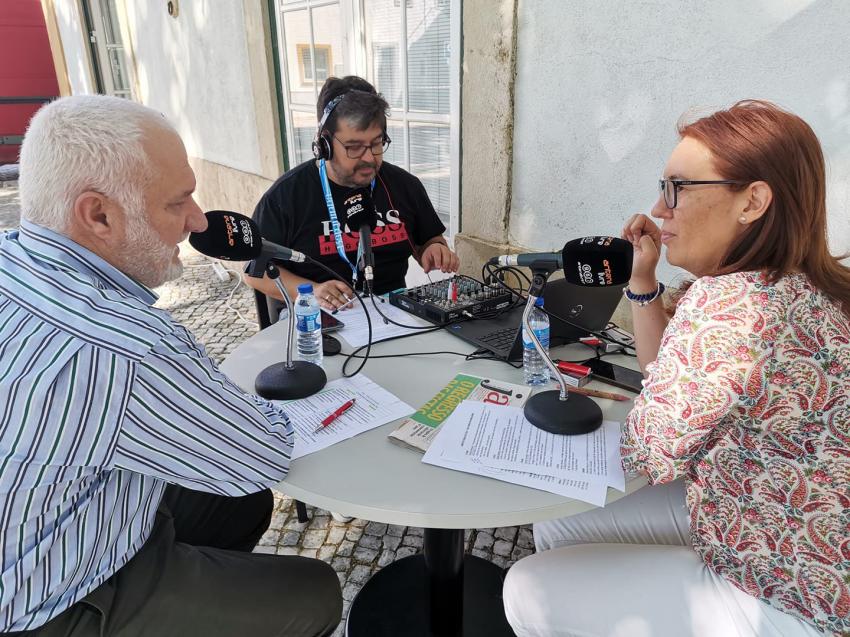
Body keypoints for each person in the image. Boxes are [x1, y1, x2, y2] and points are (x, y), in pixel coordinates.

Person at [503, 100, 850, 636]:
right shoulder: (797, 281)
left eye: (677, 189)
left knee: (526, 588)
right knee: (562, 516)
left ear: (752, 201)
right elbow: (662, 369)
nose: (659, 210)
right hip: (771, 514)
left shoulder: (734, 305)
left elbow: (650, 450)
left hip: (794, 591)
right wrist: (643, 277)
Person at [0, 95, 342, 636]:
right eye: (177, 201)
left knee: (237, 504)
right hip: (44, 603)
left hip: (48, 523)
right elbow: (260, 453)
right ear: (99, 215)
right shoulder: (125, 346)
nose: (198, 220)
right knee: (315, 594)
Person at [244, 75, 460, 315]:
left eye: (376, 143)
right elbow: (254, 271)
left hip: (393, 315)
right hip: (318, 320)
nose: (369, 158)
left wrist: (434, 249)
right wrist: (311, 291)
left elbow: (428, 240)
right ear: (323, 144)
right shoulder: (285, 196)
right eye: (354, 147)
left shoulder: (404, 185)